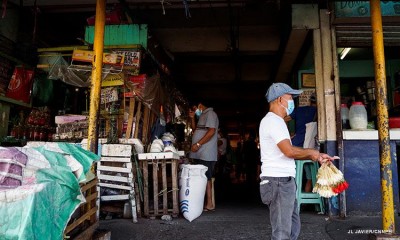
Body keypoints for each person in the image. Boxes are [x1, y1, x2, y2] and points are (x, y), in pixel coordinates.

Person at [259, 82, 335, 240]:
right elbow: (289, 151)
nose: (292, 100)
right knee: (281, 234)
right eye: (290, 97)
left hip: (284, 182)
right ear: (280, 100)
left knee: (293, 228)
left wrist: (317, 155)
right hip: (278, 182)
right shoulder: (273, 121)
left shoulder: (278, 121)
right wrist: (313, 154)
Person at [189, 100, 219, 212]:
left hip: (206, 152)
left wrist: (198, 144)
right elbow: (195, 130)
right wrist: (192, 118)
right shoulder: (203, 116)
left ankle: (210, 203)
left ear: (200, 105)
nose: (195, 111)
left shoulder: (210, 114)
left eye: (194, 108)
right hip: (199, 152)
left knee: (207, 177)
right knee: (201, 177)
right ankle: (202, 203)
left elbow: (211, 131)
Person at [284, 93, 317, 192]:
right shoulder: (318, 112)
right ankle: (305, 200)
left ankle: (293, 195)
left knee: (291, 174)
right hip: (308, 147)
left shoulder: (299, 110)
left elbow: (284, 118)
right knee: (310, 176)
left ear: (310, 101)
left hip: (294, 144)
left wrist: (287, 134)